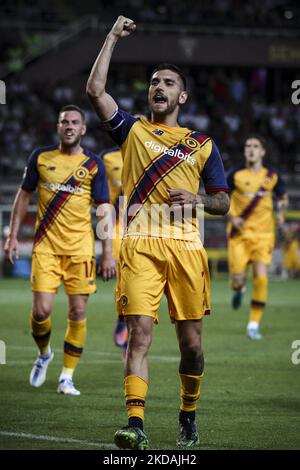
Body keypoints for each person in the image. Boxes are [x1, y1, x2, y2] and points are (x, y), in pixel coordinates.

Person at [86, 16, 230, 449]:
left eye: (168, 82)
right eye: (153, 82)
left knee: (191, 346)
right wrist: (111, 37)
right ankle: (135, 423)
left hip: (186, 248)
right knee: (140, 334)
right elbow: (95, 91)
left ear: (181, 95)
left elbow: (224, 202)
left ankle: (188, 412)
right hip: (140, 247)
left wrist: (200, 200)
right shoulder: (131, 130)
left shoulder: (202, 144)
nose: (159, 87)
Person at [4, 105, 116, 396]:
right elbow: (23, 195)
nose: (69, 126)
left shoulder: (94, 165)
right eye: (64, 121)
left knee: (78, 312)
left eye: (75, 122)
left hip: (80, 251)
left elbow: (104, 209)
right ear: (58, 127)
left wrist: (109, 252)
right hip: (46, 249)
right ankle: (44, 354)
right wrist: (12, 235)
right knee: (41, 313)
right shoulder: (41, 157)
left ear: (83, 129)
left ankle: (67, 376)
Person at [226, 135, 288, 340]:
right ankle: (239, 288)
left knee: (261, 278)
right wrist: (232, 218)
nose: (251, 149)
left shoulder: (272, 175)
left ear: (262, 152)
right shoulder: (235, 174)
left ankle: (253, 324)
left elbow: (282, 198)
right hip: (239, 236)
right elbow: (221, 198)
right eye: (247, 146)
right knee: (237, 279)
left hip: (264, 235)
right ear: (244, 151)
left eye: (255, 146)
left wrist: (280, 213)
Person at [100, 146, 128, 359]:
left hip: (148, 224)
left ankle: (129, 326)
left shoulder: (159, 156)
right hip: (119, 225)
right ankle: (123, 321)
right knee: (125, 278)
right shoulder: (108, 158)